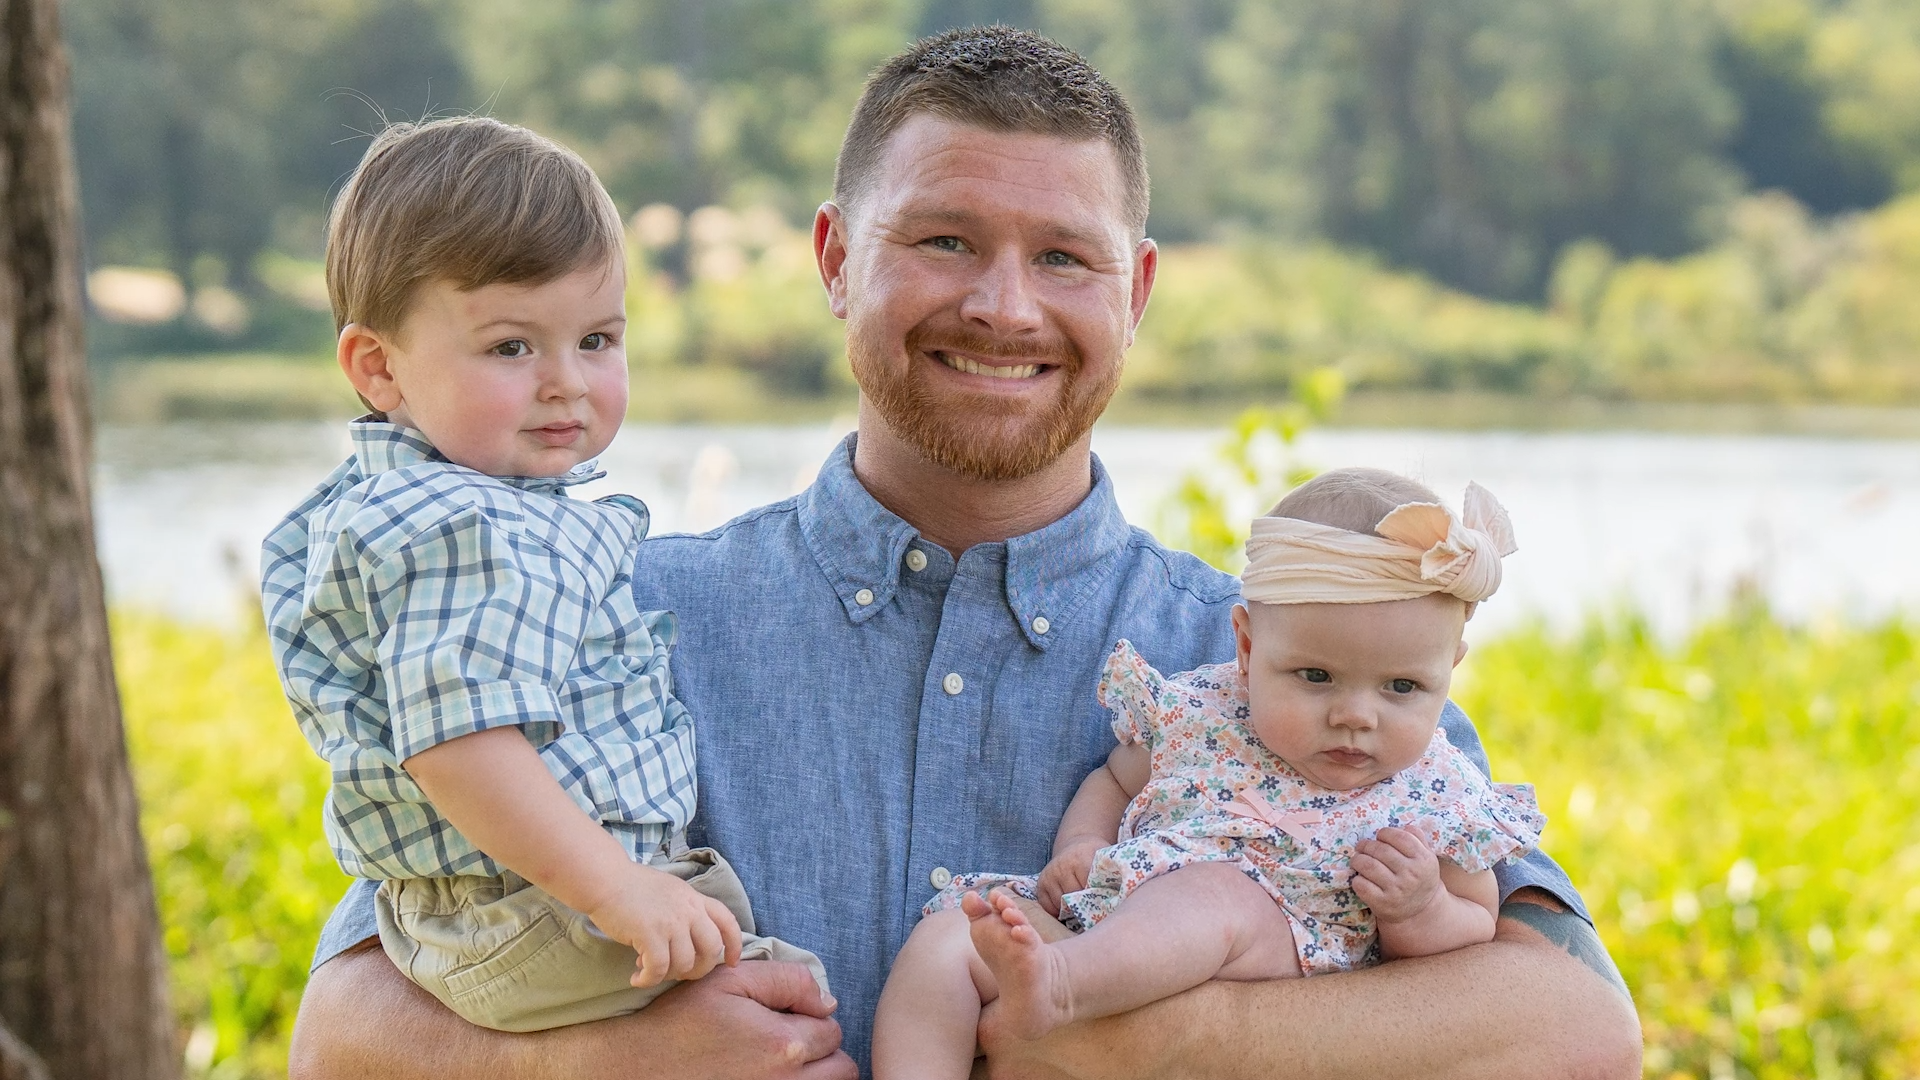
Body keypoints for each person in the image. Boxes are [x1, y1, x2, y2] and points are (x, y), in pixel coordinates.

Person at [287, 27, 1641, 1080]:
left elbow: (1577, 1034)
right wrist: (604, 1062)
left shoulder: (1293, 643)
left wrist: (1187, 1042)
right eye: (943, 240)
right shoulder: (614, 607)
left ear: (1139, 292)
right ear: (834, 259)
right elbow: (339, 1034)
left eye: (1064, 256)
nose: (1004, 306)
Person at [261, 117, 826, 1035]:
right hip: (533, 908)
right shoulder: (461, 525)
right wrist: (619, 890)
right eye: (512, 348)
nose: (565, 381)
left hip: (520, 903)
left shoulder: (446, 503)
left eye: (597, 340)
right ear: (379, 368)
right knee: (795, 1019)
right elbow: (457, 745)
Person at [870, 469, 1548, 1078]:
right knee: (950, 936)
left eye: (1401, 687)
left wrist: (1421, 908)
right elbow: (1113, 781)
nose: (1355, 715)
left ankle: (1064, 985)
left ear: (1449, 670)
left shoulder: (1438, 789)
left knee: (1219, 895)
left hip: (1273, 959)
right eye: (1316, 676)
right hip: (1108, 933)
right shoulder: (1204, 711)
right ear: (1248, 648)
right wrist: (1081, 846)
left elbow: (1475, 922)